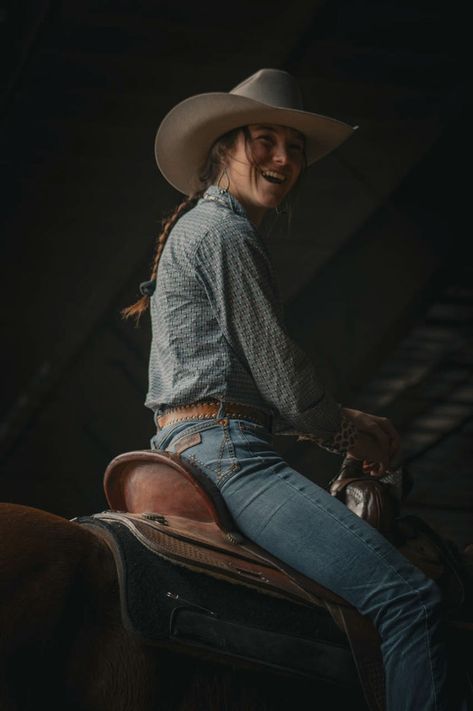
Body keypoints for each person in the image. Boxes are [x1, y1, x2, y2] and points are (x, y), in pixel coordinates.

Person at [122, 68, 448, 710]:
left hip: (188, 441)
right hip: (227, 452)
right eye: (264, 139)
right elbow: (279, 371)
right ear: (224, 149)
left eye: (294, 147)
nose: (282, 157)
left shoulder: (200, 228)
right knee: (410, 599)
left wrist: (338, 415)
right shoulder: (225, 232)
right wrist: (347, 431)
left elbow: (258, 376)